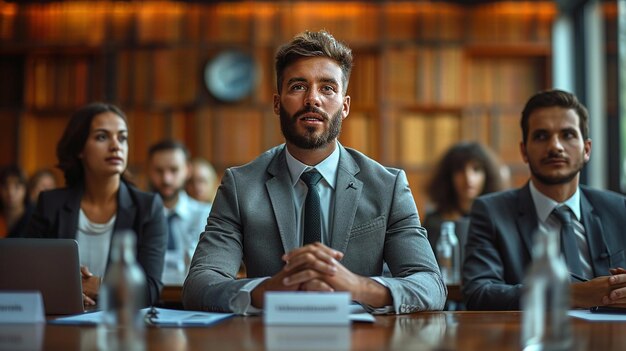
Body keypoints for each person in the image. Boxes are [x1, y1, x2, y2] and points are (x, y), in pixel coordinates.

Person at [183, 30, 446, 314]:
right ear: (276, 102)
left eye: (328, 88)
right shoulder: (241, 185)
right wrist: (268, 290)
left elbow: (430, 285)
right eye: (298, 86)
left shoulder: (387, 186)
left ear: (344, 106)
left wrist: (356, 286)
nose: (312, 99)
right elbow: (199, 285)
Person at [462, 89, 626, 310]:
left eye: (567, 135)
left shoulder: (618, 208)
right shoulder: (491, 212)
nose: (555, 146)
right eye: (541, 136)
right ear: (524, 151)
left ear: (586, 149)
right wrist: (572, 295)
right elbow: (478, 293)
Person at [26, 102, 167, 307]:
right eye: (102, 136)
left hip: (121, 326)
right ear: (79, 149)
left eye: (122, 137)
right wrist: (70, 289)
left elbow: (151, 290)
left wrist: (100, 285)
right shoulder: (50, 204)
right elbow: (27, 275)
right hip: (62, 319)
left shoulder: (148, 207)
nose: (116, 146)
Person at [423, 141, 504, 255]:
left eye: (476, 169)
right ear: (448, 176)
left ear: (488, 175)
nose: (468, 178)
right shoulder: (434, 221)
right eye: (460, 170)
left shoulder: (498, 219)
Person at [147, 140, 212, 275]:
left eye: (174, 170)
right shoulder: (136, 215)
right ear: (149, 171)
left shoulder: (206, 215)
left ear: (187, 170)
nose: (166, 179)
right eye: (159, 171)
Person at [0, 165, 33, 238]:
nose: (10, 193)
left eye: (17, 187)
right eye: (5, 187)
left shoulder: (34, 217)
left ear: (25, 189)